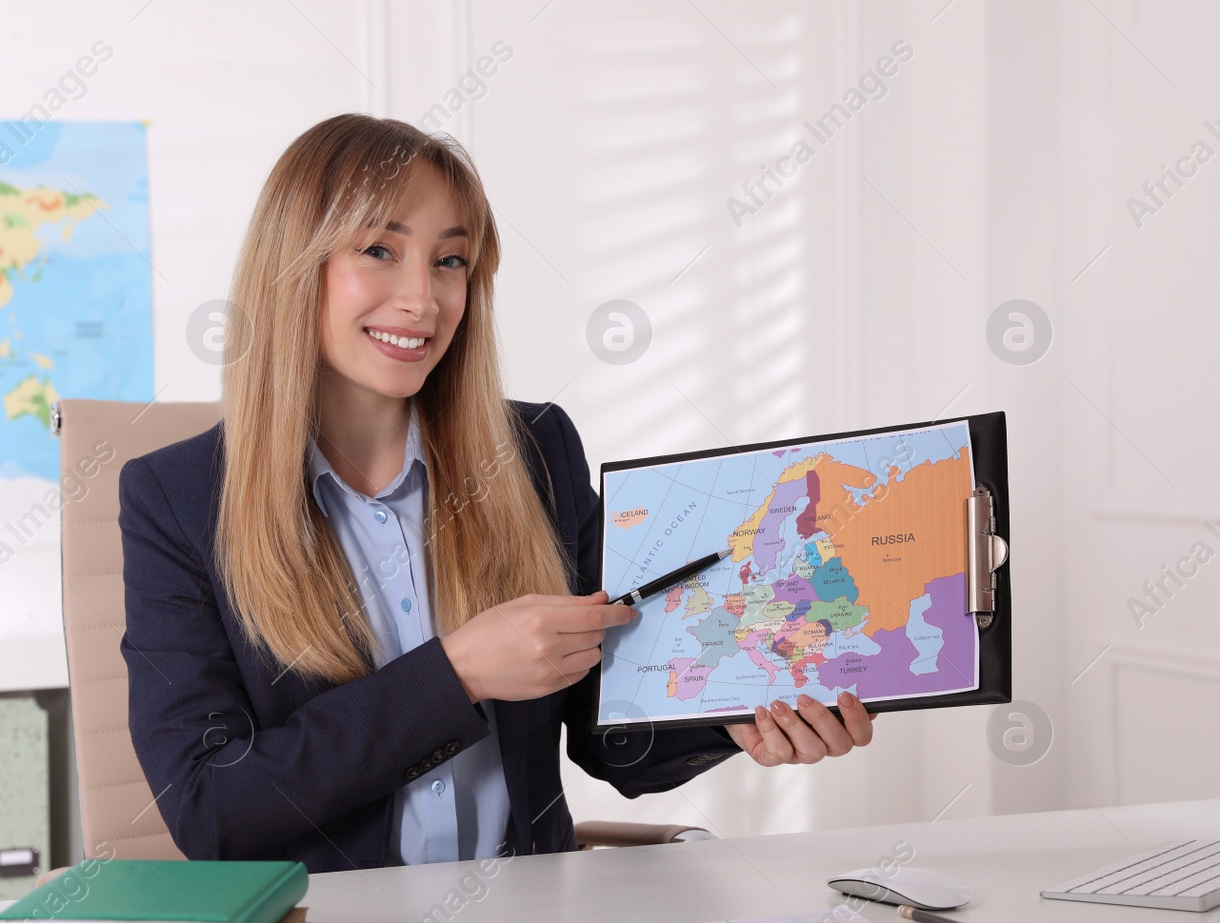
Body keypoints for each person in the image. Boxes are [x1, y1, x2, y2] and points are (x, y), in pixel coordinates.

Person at [119, 114, 877, 872]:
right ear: (294, 263)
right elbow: (210, 806)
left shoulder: (537, 451)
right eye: (380, 250)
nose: (423, 298)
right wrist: (455, 675)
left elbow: (608, 736)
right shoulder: (176, 500)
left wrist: (735, 717)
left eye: (451, 261)